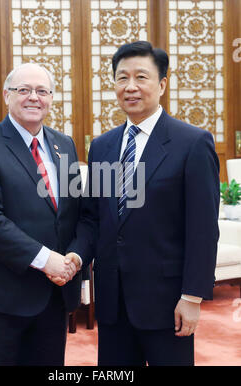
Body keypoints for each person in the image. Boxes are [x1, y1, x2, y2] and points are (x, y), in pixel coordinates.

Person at [67, 41, 220, 366]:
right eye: (122, 78)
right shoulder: (103, 146)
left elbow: (203, 229)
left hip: (167, 302)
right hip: (112, 300)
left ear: (162, 84)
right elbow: (94, 218)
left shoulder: (192, 143)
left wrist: (192, 296)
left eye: (141, 77)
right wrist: (76, 256)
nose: (131, 87)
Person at [0, 63, 81, 366]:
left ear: (51, 98)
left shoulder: (64, 145)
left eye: (42, 91)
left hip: (52, 298)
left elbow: (75, 212)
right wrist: (45, 259)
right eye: (23, 90)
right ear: (7, 95)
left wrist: (76, 255)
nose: (33, 98)